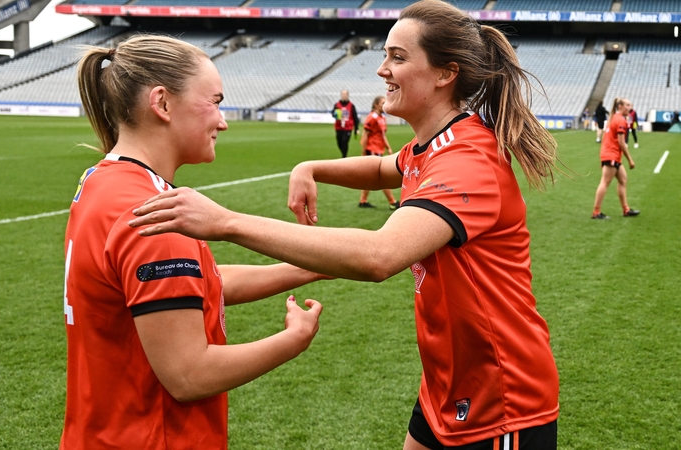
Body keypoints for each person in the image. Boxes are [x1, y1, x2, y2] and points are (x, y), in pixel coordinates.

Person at [130, 1, 561, 448]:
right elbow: (382, 170)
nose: (382, 70)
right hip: (447, 382)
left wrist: (227, 222)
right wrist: (311, 167)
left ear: (444, 74)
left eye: (398, 57)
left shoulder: (466, 160)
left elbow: (379, 257)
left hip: (502, 397)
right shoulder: (429, 147)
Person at [61, 35, 324, 449]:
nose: (223, 121)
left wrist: (310, 265)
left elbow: (194, 286)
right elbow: (189, 375)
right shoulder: (155, 215)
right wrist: (292, 340)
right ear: (162, 103)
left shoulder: (101, 183)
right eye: (215, 102)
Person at [592, 97, 640, 219]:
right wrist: (630, 159)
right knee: (605, 182)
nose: (630, 107)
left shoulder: (613, 118)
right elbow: (621, 143)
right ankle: (596, 212)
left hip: (611, 155)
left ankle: (626, 209)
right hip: (612, 155)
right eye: (628, 105)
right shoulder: (620, 120)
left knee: (623, 180)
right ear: (620, 106)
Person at [358, 95, 399, 209]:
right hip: (372, 149)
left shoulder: (382, 118)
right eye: (382, 103)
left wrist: (388, 147)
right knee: (380, 176)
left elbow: (382, 135)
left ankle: (363, 201)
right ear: (376, 104)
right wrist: (363, 152)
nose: (384, 104)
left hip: (378, 149)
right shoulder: (372, 117)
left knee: (369, 177)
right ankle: (392, 201)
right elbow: (365, 134)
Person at [332, 89, 360, 157]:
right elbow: (332, 114)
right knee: (339, 143)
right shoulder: (337, 105)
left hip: (348, 127)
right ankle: (344, 154)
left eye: (345, 94)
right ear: (341, 95)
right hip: (339, 127)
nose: (344, 96)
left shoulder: (351, 105)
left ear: (348, 95)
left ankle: (344, 156)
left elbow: (355, 117)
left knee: (345, 142)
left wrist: (356, 128)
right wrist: (336, 115)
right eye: (343, 94)